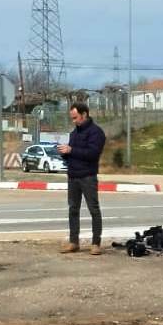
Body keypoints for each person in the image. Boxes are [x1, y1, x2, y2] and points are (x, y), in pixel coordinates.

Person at [57, 103, 107, 256]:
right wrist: (64, 153)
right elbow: (74, 153)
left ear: (84, 114)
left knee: (94, 210)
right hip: (73, 176)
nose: (74, 121)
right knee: (73, 210)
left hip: (88, 176)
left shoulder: (96, 133)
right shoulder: (74, 133)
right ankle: (74, 242)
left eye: (75, 118)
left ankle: (96, 243)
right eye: (72, 118)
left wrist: (71, 150)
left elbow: (92, 154)